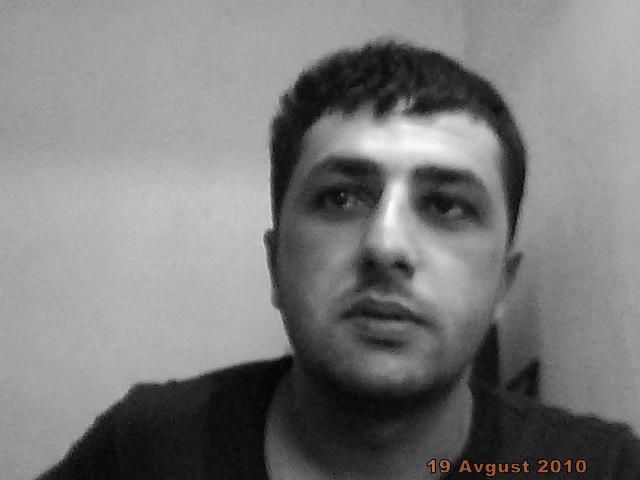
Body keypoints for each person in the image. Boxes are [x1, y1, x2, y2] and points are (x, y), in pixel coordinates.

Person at [37, 40, 640, 480]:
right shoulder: (147, 449)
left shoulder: (599, 470)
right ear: (276, 264)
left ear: (503, 284)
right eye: (341, 198)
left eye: (445, 205)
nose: (386, 246)